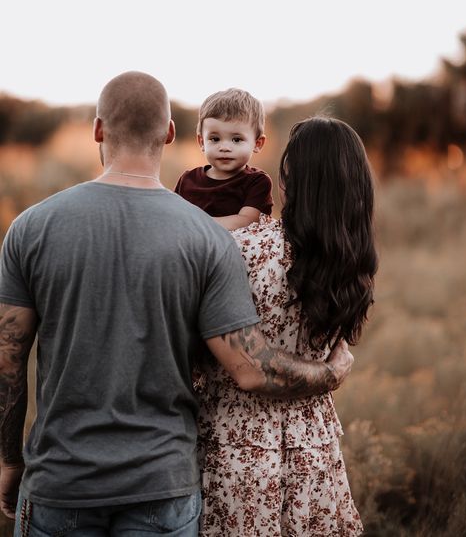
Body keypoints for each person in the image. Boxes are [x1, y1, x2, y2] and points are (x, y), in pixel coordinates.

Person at [0, 72, 354, 537]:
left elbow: (7, 358)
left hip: (60, 480)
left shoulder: (31, 228)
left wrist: (8, 459)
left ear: (97, 130)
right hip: (162, 485)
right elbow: (250, 367)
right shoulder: (208, 239)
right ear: (170, 134)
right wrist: (330, 373)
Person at [197, 115, 378, 536]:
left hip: (237, 448)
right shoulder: (352, 260)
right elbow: (333, 353)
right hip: (313, 448)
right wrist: (329, 373)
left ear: (288, 180)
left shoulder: (240, 250)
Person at [174, 88, 273, 230]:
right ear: (202, 142)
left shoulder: (257, 182)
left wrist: (195, 223)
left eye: (236, 140)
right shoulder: (188, 179)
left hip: (234, 250)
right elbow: (174, 216)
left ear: (257, 144)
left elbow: (246, 222)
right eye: (215, 139)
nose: (224, 147)